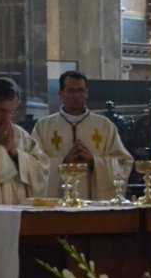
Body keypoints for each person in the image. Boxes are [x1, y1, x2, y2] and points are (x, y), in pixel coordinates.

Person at [32, 70, 133, 201]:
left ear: (86, 94)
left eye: (81, 91)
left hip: (94, 203)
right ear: (61, 94)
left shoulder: (104, 126)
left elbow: (123, 163)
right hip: (57, 204)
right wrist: (63, 162)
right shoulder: (44, 126)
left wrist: (94, 162)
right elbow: (32, 165)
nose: (77, 95)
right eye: (71, 91)